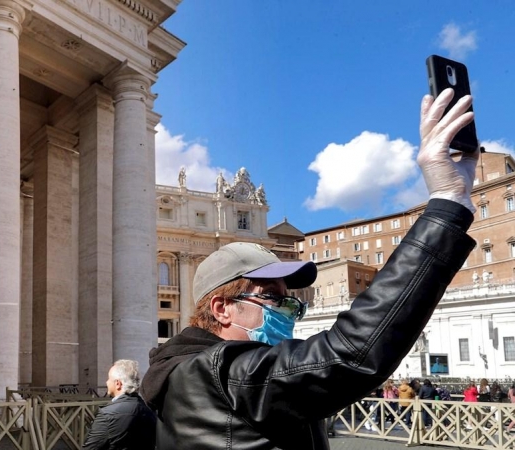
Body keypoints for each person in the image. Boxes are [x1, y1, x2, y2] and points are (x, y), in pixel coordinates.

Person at [139, 88, 478, 449]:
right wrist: (447, 204)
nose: (288, 313)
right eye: (272, 298)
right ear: (221, 309)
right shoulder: (215, 373)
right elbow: (348, 354)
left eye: (291, 303)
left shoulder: (198, 375)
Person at [82, 360, 156, 450]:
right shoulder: (148, 409)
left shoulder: (107, 414)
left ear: (118, 384)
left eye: (109, 379)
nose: (106, 382)